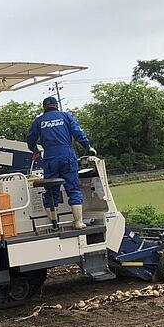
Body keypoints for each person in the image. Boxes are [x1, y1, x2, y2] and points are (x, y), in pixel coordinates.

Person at [26, 96, 97, 229]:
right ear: (56, 105)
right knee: (73, 189)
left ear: (44, 107)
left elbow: (30, 140)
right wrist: (88, 147)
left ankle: (54, 224)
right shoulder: (66, 116)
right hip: (67, 156)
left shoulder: (39, 121)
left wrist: (35, 150)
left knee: (51, 192)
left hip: (50, 159)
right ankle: (78, 222)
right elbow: (78, 133)